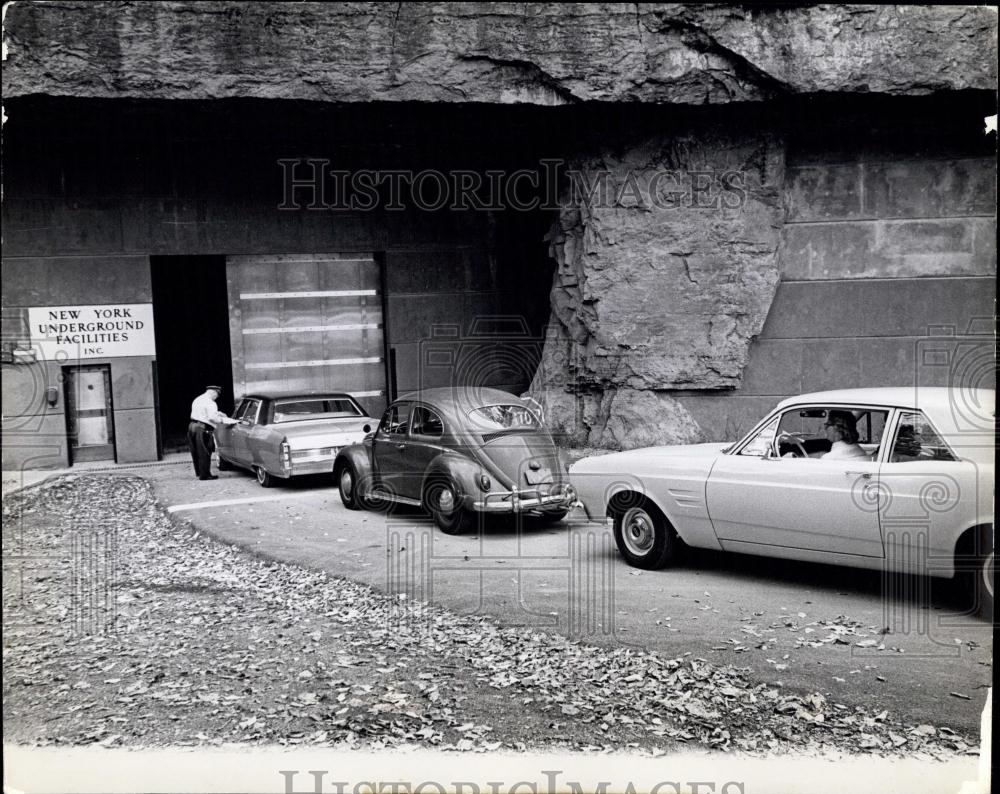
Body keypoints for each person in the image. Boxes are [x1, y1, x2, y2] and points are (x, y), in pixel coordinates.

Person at [188, 385, 237, 480]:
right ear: (213, 392)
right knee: (205, 451)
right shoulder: (211, 403)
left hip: (192, 426)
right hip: (202, 428)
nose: (217, 397)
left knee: (196, 451)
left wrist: (217, 413)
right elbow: (211, 417)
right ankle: (205, 475)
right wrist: (223, 419)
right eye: (217, 395)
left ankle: (200, 472)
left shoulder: (198, 399)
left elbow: (203, 412)